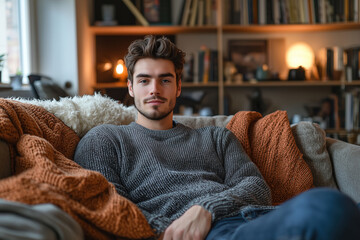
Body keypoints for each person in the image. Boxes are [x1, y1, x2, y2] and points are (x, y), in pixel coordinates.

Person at [74, 35, 360, 240]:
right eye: (144, 80)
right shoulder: (105, 139)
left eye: (165, 79)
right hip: (210, 234)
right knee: (329, 207)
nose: (155, 89)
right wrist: (172, 230)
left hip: (256, 216)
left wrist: (206, 208)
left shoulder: (216, 137)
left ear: (178, 87)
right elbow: (111, 205)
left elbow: (256, 187)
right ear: (131, 87)